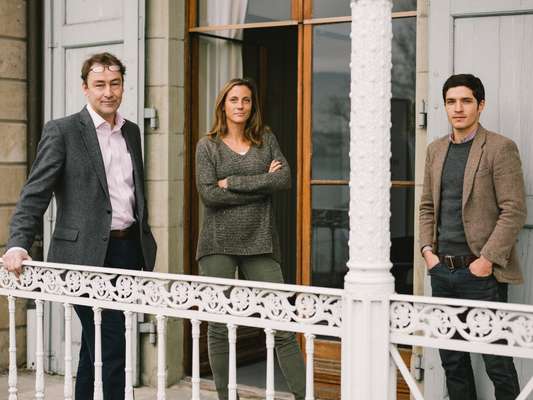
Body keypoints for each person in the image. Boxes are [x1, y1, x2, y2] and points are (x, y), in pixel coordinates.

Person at [3, 52, 157, 400]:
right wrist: (17, 243)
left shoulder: (131, 132)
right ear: (85, 88)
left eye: (115, 84)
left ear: (123, 86)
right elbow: (35, 192)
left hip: (127, 251)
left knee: (96, 345)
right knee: (112, 340)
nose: (108, 92)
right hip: (83, 256)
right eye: (100, 84)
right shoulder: (63, 131)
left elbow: (133, 195)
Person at [195, 78, 305, 400]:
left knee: (281, 322)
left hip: (260, 242)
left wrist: (234, 182)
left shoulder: (265, 138)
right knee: (218, 325)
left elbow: (283, 178)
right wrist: (261, 186)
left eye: (246, 100)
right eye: (234, 100)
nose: (240, 106)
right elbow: (209, 194)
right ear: (223, 105)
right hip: (217, 243)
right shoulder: (208, 145)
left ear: (252, 106)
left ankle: (304, 395)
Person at [419, 73, 526, 400]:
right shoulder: (436, 149)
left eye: (466, 101)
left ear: (480, 105)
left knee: (496, 359)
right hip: (442, 270)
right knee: (452, 360)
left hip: (481, 273)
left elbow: (514, 210)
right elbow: (426, 206)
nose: (458, 108)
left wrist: (486, 261)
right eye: (451, 102)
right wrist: (427, 251)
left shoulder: (500, 147)